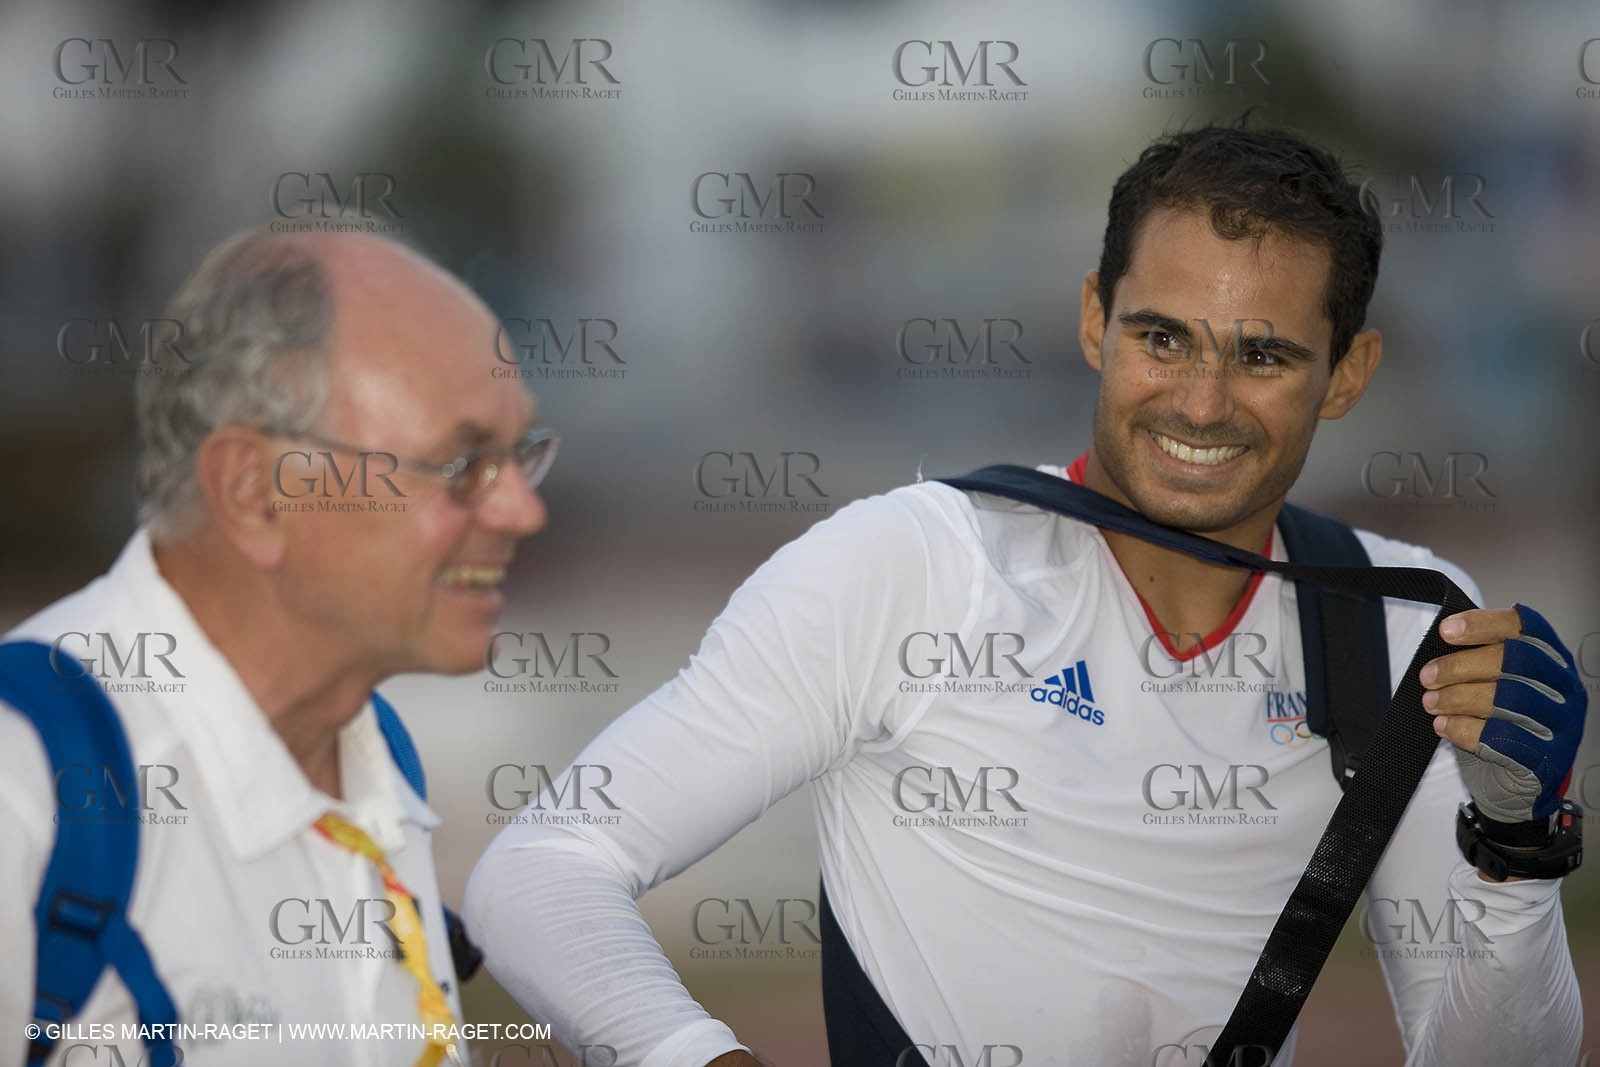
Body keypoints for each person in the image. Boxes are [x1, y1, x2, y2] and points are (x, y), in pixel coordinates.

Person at [464, 125, 1584, 1067]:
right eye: (1161, 337)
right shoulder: (910, 565)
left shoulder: (1398, 621)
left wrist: (1514, 845)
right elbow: (541, 868)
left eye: (1262, 355)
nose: (1199, 401)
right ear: (1095, 318)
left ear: (1346, 372)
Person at [0, 229, 555, 1066]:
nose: (522, 510)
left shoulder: (373, 757)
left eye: (520, 456)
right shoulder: (26, 784)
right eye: (464, 462)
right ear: (256, 491)